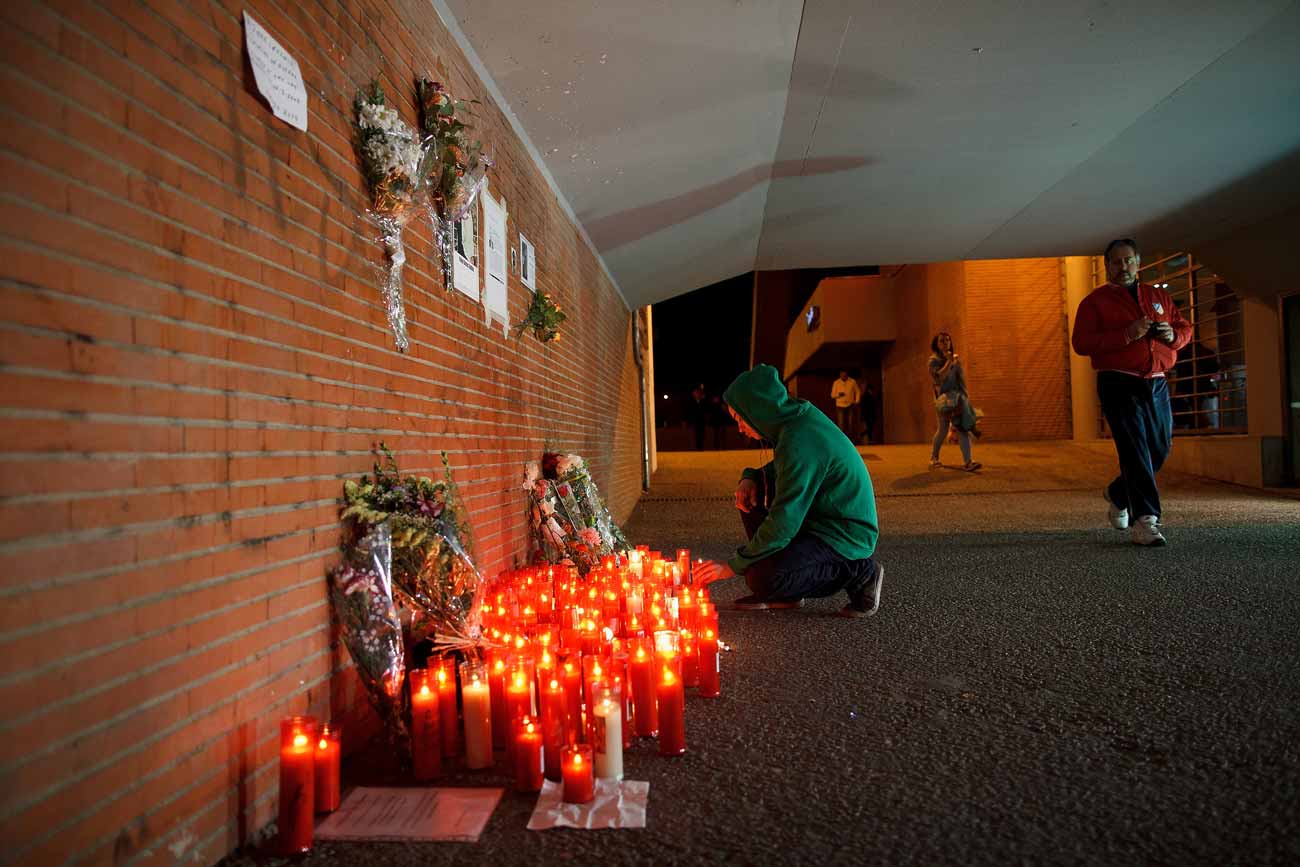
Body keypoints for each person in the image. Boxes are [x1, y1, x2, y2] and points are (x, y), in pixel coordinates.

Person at [692, 364, 884, 618]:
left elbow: (785, 521)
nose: (739, 428)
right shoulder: (793, 422)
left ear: (758, 410)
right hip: (819, 522)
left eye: (740, 418)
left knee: (764, 579)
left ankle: (861, 572)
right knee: (755, 493)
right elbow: (785, 466)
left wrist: (732, 566)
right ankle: (784, 585)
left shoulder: (800, 438)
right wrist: (750, 476)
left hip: (845, 534)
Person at [1071, 238, 1191, 546]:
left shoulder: (1157, 296)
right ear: (1107, 265)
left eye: (1128, 261)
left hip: (1157, 381)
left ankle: (1117, 492)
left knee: (1160, 447)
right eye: (1116, 262)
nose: (1122, 267)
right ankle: (1146, 521)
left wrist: (1172, 335)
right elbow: (1082, 343)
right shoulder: (1094, 302)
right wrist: (1126, 334)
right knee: (1135, 448)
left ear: (1138, 262)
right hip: (1118, 382)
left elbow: (1185, 329)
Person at [928, 333, 981, 471]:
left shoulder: (956, 361)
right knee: (943, 429)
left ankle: (968, 461)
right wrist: (948, 362)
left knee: (962, 428)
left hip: (956, 398)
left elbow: (961, 380)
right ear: (937, 344)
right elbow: (938, 378)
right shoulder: (933, 361)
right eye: (941, 341)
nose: (945, 343)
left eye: (947, 340)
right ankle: (934, 457)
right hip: (943, 401)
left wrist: (965, 399)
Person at [830, 370, 861, 438]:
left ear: (847, 375)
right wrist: (838, 395)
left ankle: (851, 439)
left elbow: (857, 391)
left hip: (850, 404)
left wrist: (857, 401)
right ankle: (841, 439)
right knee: (841, 423)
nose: (843, 376)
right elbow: (832, 395)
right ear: (840, 375)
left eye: (845, 375)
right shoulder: (836, 382)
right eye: (842, 375)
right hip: (840, 405)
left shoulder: (852, 381)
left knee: (850, 423)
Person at [686, 383, 708, 450]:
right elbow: (688, 412)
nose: (696, 394)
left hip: (702, 421)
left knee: (701, 435)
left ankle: (700, 448)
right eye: (695, 393)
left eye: (697, 393)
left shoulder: (703, 402)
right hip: (694, 422)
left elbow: (706, 410)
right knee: (694, 436)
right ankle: (695, 448)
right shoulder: (690, 402)